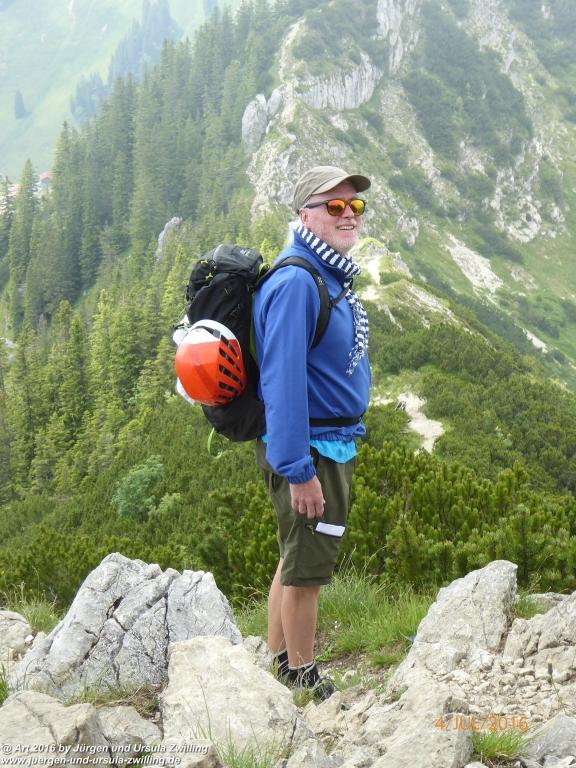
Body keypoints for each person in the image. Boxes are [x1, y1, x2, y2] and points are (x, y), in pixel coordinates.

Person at [252, 165, 372, 700]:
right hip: (312, 451)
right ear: (305, 215)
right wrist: (299, 471)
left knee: (294, 557)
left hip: (327, 444)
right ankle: (304, 678)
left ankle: (279, 663)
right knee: (308, 573)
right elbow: (281, 384)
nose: (348, 214)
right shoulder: (298, 281)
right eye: (335, 206)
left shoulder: (324, 274)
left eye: (356, 206)